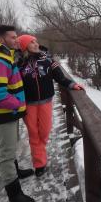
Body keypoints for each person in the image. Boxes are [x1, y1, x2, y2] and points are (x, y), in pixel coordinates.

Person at [0, 25, 35, 202]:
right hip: (4, 113)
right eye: (13, 37)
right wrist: (18, 104)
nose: (16, 40)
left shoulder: (5, 56)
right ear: (2, 39)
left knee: (12, 145)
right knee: (7, 152)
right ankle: (14, 194)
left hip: (9, 112)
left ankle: (16, 171)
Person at [16, 34, 84, 177]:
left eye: (36, 41)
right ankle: (39, 164)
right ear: (24, 46)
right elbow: (12, 83)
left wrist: (72, 84)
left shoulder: (48, 59)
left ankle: (40, 151)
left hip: (46, 101)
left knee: (45, 131)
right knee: (34, 134)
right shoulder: (18, 64)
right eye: (31, 42)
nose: (36, 44)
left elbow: (60, 77)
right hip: (28, 104)